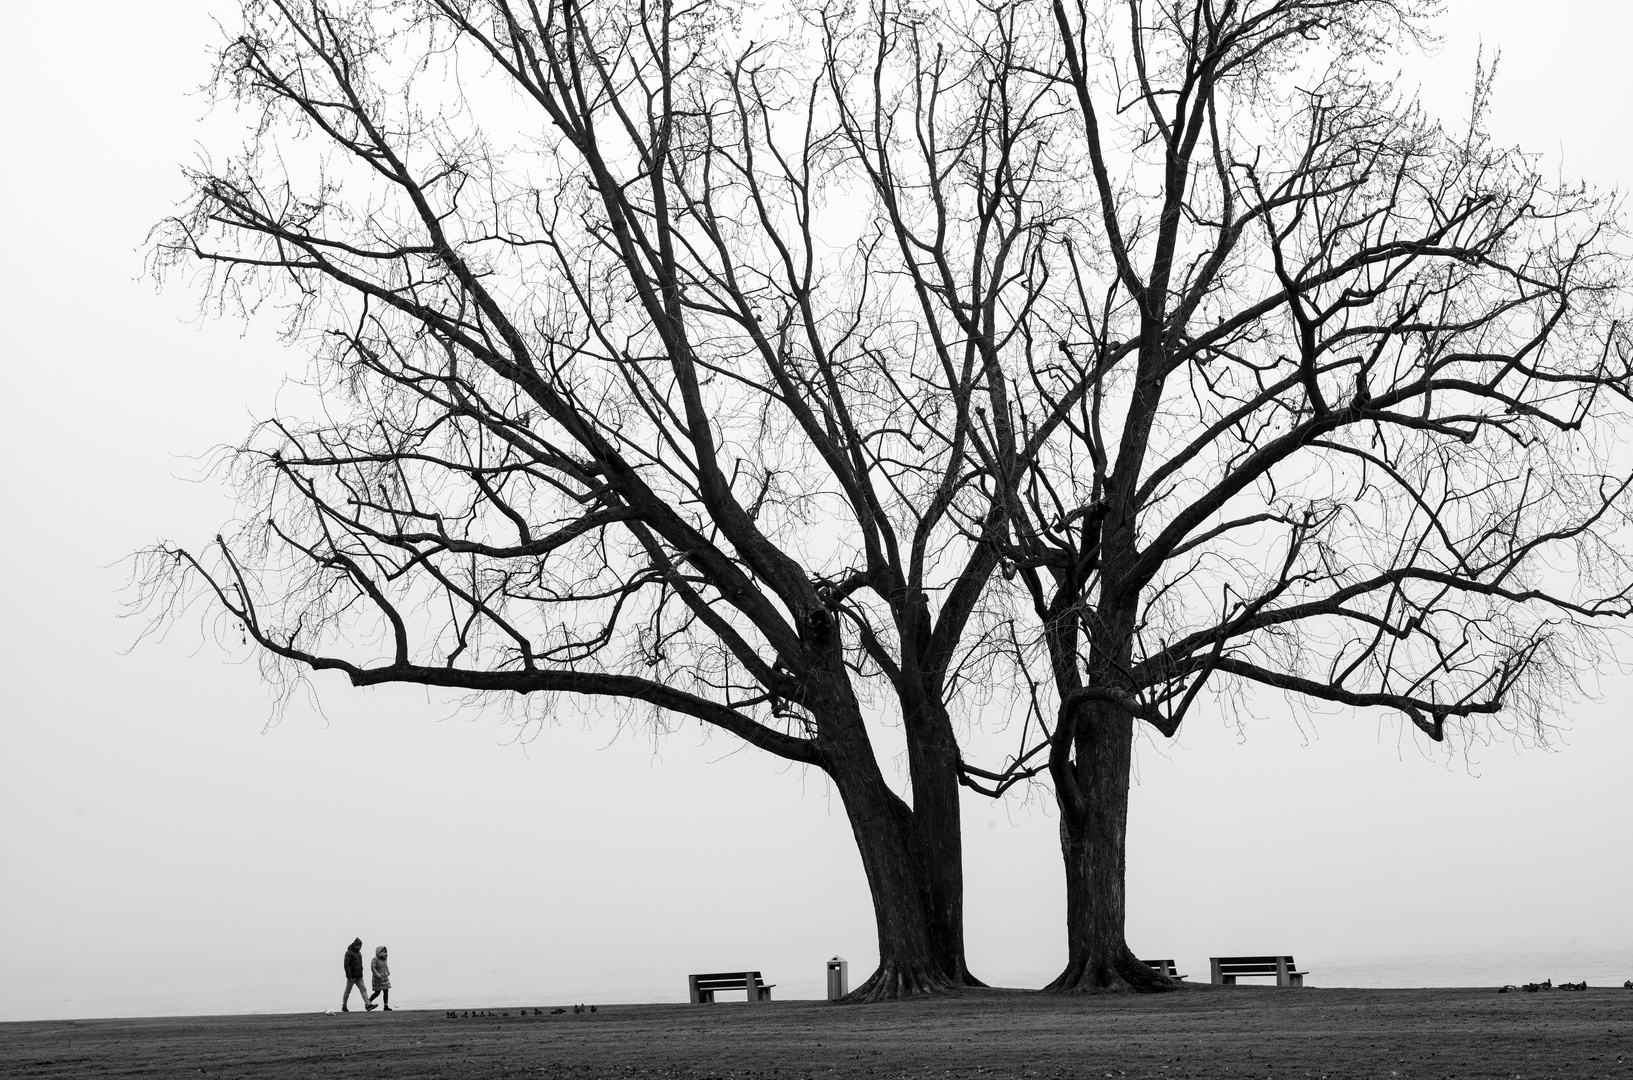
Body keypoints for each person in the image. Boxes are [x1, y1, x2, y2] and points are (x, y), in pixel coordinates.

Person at [342, 938, 376, 1012]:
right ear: (356, 945)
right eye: (360, 945)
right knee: (348, 991)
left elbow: (360, 964)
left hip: (359, 976)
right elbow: (346, 965)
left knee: (363, 989)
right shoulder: (349, 953)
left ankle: (368, 1004)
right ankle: (344, 1006)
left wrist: (361, 972)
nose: (361, 947)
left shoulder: (359, 953)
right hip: (351, 977)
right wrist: (349, 976)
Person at [368, 946, 393, 1011]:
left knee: (386, 991)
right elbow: (373, 969)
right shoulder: (375, 959)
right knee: (377, 992)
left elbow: (386, 966)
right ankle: (368, 1003)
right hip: (378, 978)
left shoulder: (384, 959)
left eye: (385, 950)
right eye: (382, 951)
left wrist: (388, 971)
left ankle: (386, 1006)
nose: (384, 952)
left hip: (385, 977)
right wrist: (378, 976)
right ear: (379, 951)